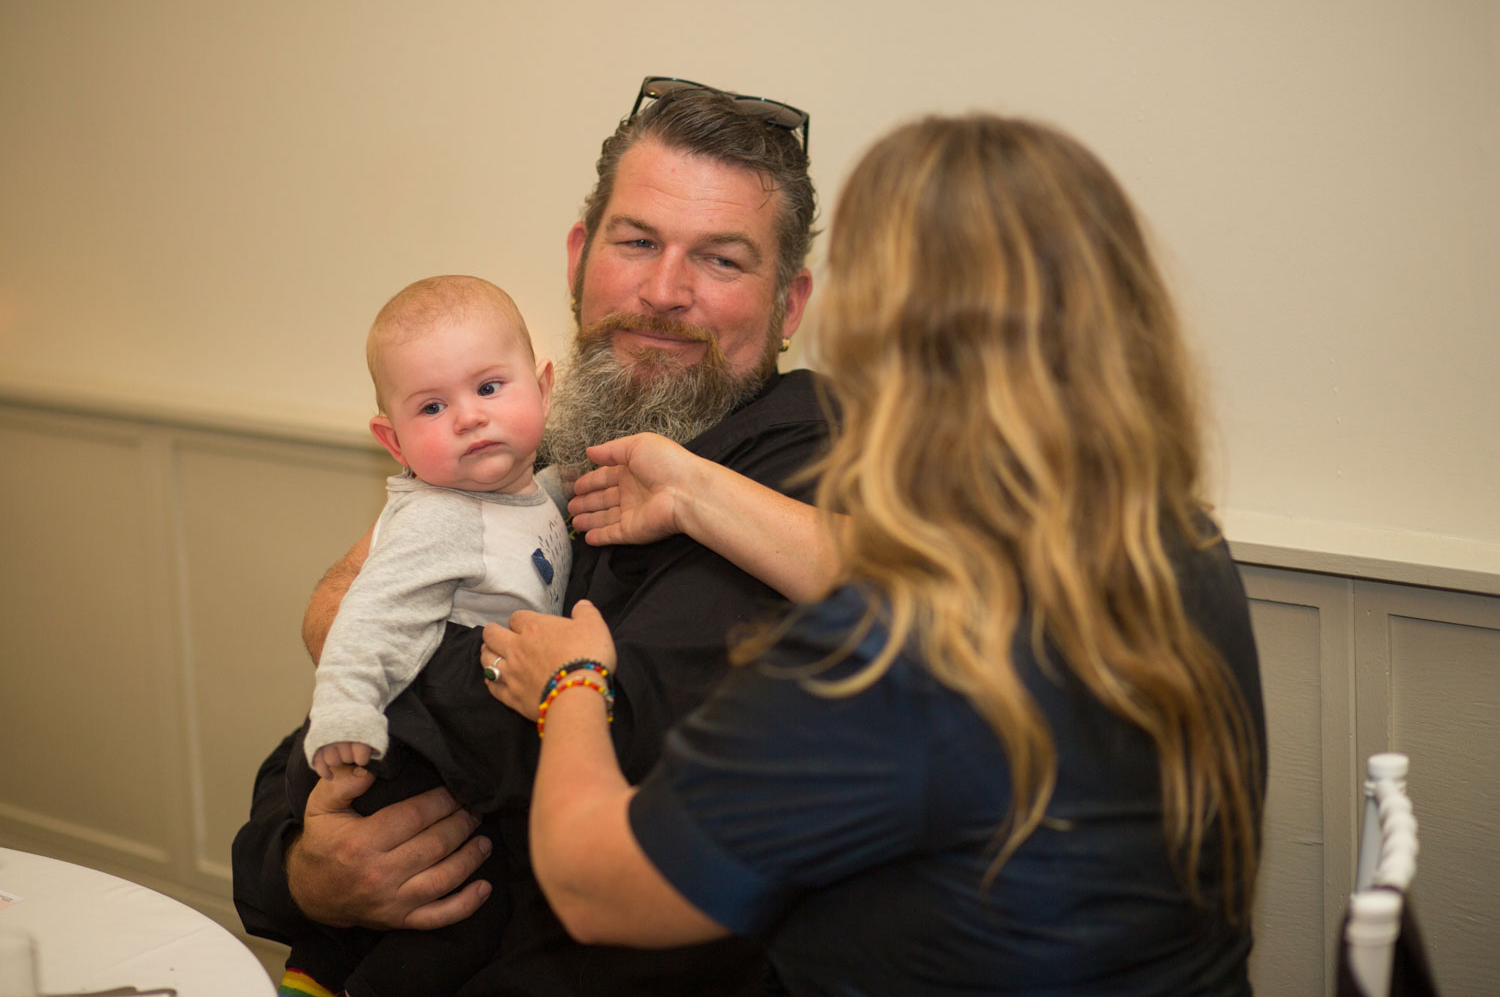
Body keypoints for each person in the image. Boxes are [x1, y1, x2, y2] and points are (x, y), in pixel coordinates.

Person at [482, 114, 1268, 996]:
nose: (668, 289)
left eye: (723, 259)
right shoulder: (1177, 546)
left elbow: (601, 887)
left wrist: (573, 684)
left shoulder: (887, 655)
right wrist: (697, 493)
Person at [232, 76, 824, 997]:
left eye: (721, 260)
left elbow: (614, 742)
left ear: (789, 305)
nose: (664, 292)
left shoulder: (802, 477)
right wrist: (304, 863)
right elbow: (352, 685)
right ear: (582, 257)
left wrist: (374, 643)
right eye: (637, 242)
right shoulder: (524, 431)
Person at [278, 274, 568, 996]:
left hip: (438, 748)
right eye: (433, 406)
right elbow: (368, 617)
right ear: (393, 438)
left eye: (491, 388)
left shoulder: (532, 493)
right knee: (459, 916)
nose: (470, 418)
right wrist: (346, 711)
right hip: (392, 753)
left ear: (544, 387)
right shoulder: (442, 518)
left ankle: (316, 969)